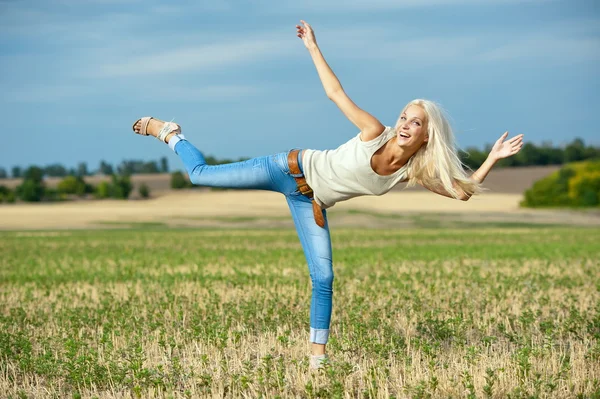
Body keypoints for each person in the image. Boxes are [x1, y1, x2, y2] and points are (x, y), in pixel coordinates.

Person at [131, 20, 524, 369]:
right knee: (200, 176)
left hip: (311, 202)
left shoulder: (411, 171)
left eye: (414, 122)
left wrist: (492, 158)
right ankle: (172, 134)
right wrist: (313, 48)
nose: (404, 123)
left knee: (324, 277)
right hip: (286, 167)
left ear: (426, 133)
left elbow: (461, 193)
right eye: (404, 116)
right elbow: (336, 93)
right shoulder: (374, 131)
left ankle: (318, 360)